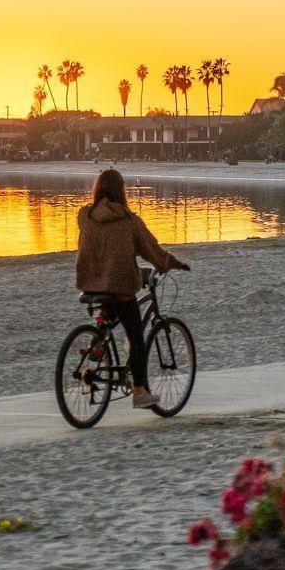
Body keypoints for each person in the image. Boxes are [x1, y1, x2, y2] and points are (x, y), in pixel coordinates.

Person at [74, 168, 187, 409]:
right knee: (136, 338)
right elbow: (151, 250)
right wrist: (171, 263)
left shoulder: (84, 215)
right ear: (120, 191)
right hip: (120, 287)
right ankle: (139, 391)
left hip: (91, 284)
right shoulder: (129, 220)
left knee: (108, 322)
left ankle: (96, 352)